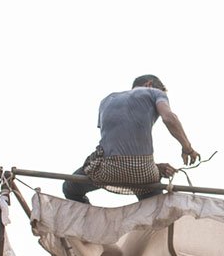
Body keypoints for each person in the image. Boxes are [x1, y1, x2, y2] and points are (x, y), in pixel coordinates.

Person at [62, 75, 199, 203]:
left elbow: (117, 143)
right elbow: (169, 118)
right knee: (154, 208)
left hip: (106, 169)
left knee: (69, 188)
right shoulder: (155, 93)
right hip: (143, 173)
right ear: (149, 84)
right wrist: (188, 148)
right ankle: (155, 225)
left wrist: (156, 167)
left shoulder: (107, 100)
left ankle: (90, 223)